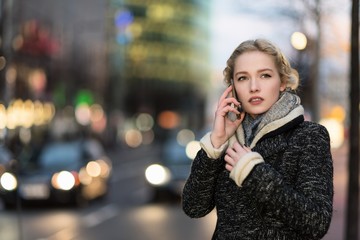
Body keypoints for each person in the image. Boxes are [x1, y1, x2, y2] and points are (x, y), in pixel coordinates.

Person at [182, 39, 333, 239]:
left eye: (265, 75)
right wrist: (216, 142)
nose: (254, 87)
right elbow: (194, 207)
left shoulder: (309, 136)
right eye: (243, 78)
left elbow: (316, 222)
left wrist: (253, 173)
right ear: (233, 87)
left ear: (282, 83)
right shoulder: (227, 141)